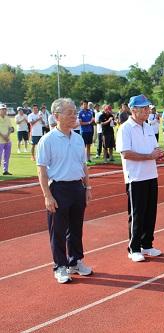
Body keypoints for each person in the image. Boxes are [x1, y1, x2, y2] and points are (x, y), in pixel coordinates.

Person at [36, 98, 93, 284]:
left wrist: (87, 187)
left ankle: (75, 261)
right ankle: (60, 266)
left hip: (77, 187)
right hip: (58, 189)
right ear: (56, 116)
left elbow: (84, 165)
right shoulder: (47, 140)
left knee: (76, 229)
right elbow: (41, 170)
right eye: (69, 113)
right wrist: (47, 195)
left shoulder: (78, 138)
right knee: (58, 231)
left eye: (74, 112)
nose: (73, 116)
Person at [116, 94, 164, 262]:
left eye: (147, 108)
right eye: (143, 108)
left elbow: (154, 148)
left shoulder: (148, 126)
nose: (147, 111)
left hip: (151, 174)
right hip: (135, 177)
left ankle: (147, 244)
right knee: (137, 214)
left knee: (150, 212)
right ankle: (134, 248)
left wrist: (159, 154)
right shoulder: (125, 128)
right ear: (133, 110)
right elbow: (126, 153)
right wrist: (150, 156)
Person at [0, 104, 14, 175]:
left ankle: (5, 170)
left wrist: (7, 136)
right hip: (0, 141)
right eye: (2, 109)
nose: (4, 110)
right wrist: (4, 136)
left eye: (5, 109)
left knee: (7, 156)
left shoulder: (7, 118)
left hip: (8, 140)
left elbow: (11, 128)